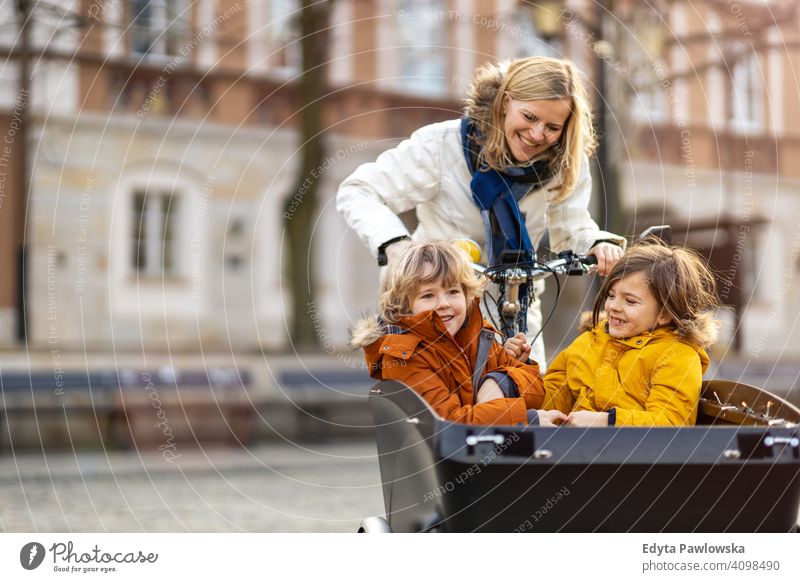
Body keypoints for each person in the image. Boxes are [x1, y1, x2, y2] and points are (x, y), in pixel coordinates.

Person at [337, 56, 625, 367]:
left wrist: (595, 244)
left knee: (529, 397)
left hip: (517, 306)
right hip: (441, 306)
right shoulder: (442, 145)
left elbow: (572, 229)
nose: (538, 134)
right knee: (444, 404)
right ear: (505, 102)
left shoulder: (565, 162)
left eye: (553, 127)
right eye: (529, 117)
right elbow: (359, 190)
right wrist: (394, 244)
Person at [351, 240, 544, 425]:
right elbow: (450, 424)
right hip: (440, 457)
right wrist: (530, 420)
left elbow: (537, 387)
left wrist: (502, 381)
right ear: (405, 306)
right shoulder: (404, 357)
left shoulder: (478, 336)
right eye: (428, 295)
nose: (444, 303)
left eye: (453, 291)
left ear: (467, 294)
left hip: (485, 450)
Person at [532, 242, 720, 427]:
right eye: (611, 295)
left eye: (630, 301)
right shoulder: (589, 342)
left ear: (664, 313)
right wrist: (520, 369)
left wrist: (606, 421)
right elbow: (551, 400)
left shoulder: (677, 357)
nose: (613, 306)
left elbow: (669, 424)